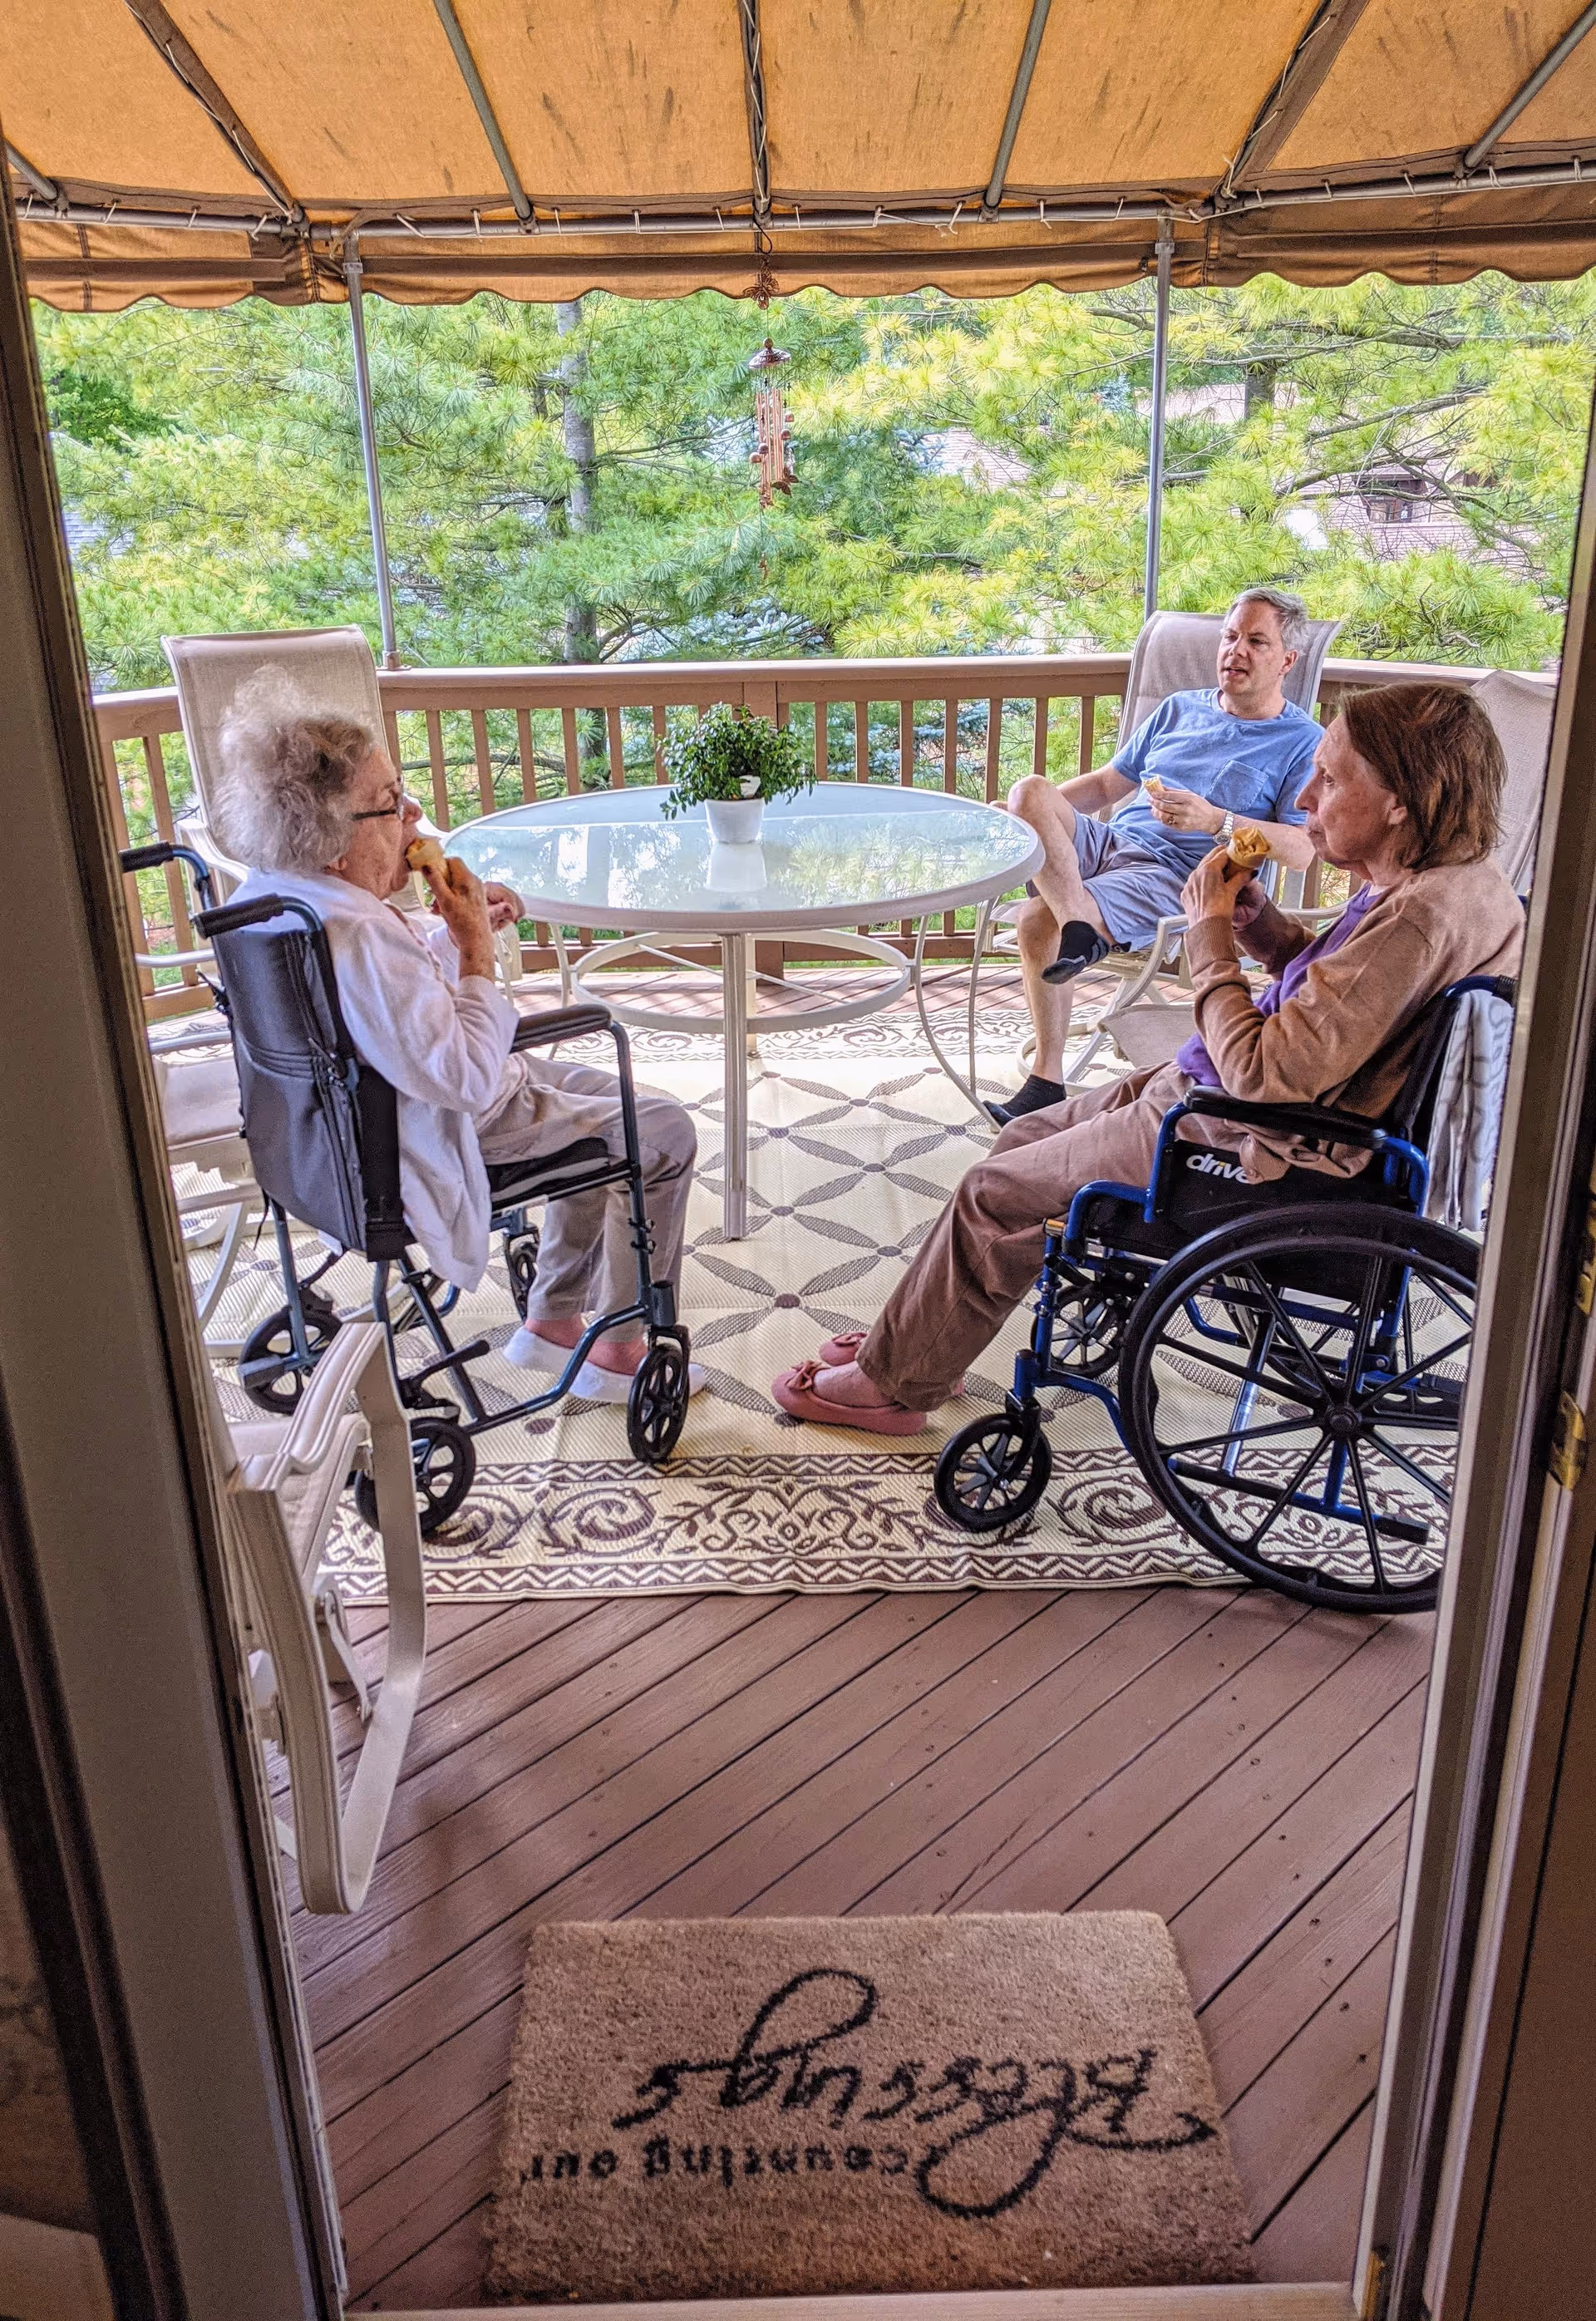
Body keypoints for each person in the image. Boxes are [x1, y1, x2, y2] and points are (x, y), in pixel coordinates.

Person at [772, 681, 1523, 1435]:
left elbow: (1267, 1075)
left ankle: (894, 1386)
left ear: (1401, 800)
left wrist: (1209, 937)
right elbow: (1341, 997)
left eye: (1330, 778)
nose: (1304, 797)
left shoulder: (1414, 923)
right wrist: (1259, 927)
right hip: (1232, 1098)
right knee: (1022, 1140)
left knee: (993, 1192)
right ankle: (920, 1341)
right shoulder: (1453, 889)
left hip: (1242, 1136)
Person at [214, 689, 702, 1403]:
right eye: (391, 802)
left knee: (622, 1106)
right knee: (663, 1131)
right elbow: (466, 1078)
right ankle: (623, 1348)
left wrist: (452, 931)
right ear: (336, 836)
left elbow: (395, 1018)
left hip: (337, 1134)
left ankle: (554, 1320)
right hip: (445, 1129)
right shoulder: (362, 936)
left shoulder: (283, 901)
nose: (413, 816)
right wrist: (476, 947)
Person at [991, 586, 1322, 1124]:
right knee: (1028, 790)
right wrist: (1018, 816)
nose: (1235, 651)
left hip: (1177, 877)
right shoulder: (1178, 709)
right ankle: (1082, 922)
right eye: (1230, 636)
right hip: (1112, 844)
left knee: (1034, 919)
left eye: (1256, 641)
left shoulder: (1303, 742)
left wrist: (1217, 821)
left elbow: (1300, 851)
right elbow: (1104, 785)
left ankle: (1045, 1083)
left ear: (1287, 660)